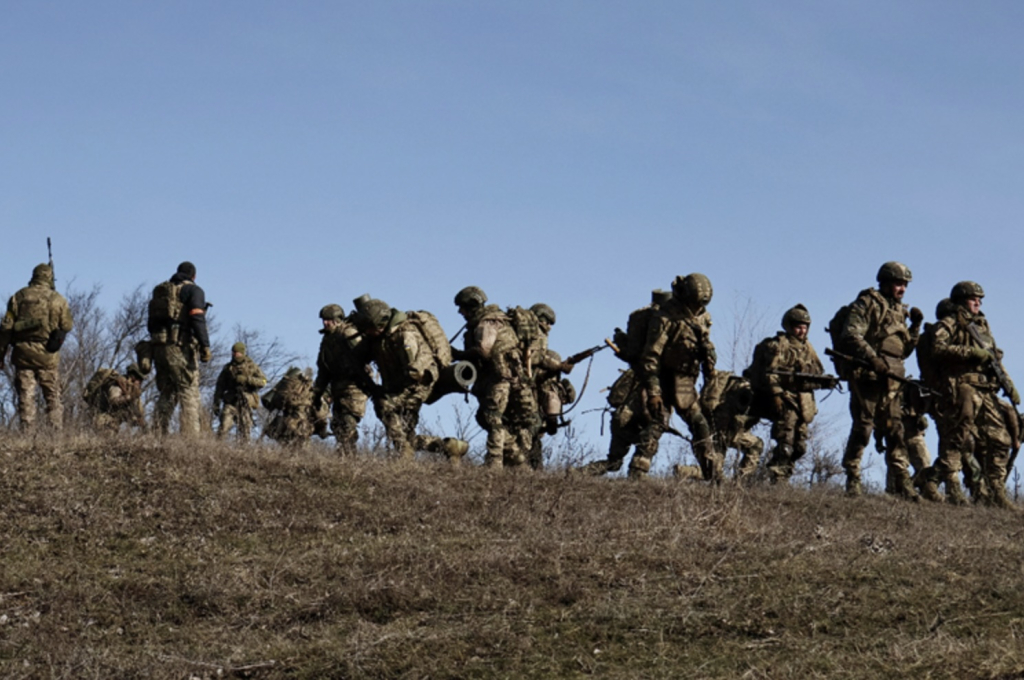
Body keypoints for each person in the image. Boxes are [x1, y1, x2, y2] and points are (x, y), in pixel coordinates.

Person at [838, 261, 922, 499]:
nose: (902, 289)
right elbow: (851, 334)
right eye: (898, 284)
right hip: (868, 375)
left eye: (905, 285)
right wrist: (872, 358)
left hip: (893, 378)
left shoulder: (900, 311)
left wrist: (915, 327)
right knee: (864, 428)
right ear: (885, 282)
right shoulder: (868, 303)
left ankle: (902, 480)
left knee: (895, 429)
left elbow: (903, 351)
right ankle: (853, 477)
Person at [931, 281, 1018, 509]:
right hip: (962, 387)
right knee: (958, 439)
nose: (978, 303)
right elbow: (937, 349)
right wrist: (971, 352)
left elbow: (995, 359)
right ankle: (953, 489)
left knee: (1001, 439)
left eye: (980, 299)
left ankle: (996, 490)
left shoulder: (982, 327)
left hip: (986, 389)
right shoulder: (950, 323)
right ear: (961, 301)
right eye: (973, 299)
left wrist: (1009, 385)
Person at [353, 298, 468, 462]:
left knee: (384, 405)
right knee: (407, 435)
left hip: (418, 385)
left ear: (379, 324)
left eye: (369, 328)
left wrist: (392, 394)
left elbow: (415, 371)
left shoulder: (405, 335)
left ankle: (404, 457)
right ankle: (450, 447)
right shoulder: (380, 337)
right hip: (401, 386)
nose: (367, 332)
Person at [578, 290, 672, 477]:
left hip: (632, 385)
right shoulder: (668, 321)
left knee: (615, 457)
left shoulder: (637, 317)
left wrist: (621, 342)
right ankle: (638, 472)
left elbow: (630, 353)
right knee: (658, 422)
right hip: (656, 384)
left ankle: (582, 472)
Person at [635, 274, 718, 481]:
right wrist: (654, 391)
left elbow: (706, 348)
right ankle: (638, 471)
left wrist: (708, 358)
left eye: (701, 305)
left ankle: (713, 475)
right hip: (663, 377)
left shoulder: (703, 318)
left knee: (699, 424)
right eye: (695, 303)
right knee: (658, 422)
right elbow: (651, 357)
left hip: (685, 380)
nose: (698, 308)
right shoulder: (665, 318)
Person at [746, 304, 831, 483]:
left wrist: (824, 382)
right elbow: (771, 374)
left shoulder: (808, 347)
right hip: (786, 399)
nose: (802, 331)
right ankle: (777, 479)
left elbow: (817, 372)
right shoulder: (778, 345)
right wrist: (776, 395)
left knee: (799, 447)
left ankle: (782, 471)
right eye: (798, 327)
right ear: (789, 326)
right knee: (785, 443)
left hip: (803, 403)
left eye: (805, 327)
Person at [451, 286, 524, 468]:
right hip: (491, 377)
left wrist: (459, 355)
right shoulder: (483, 322)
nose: (461, 312)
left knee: (492, 417)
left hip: (499, 378)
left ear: (472, 306)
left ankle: (494, 464)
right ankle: (516, 456)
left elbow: (483, 351)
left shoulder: (487, 323)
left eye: (463, 308)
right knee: (483, 417)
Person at [0, 264, 74, 430]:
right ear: (50, 278)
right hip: (48, 354)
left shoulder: (18, 297)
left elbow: (6, 328)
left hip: (23, 354)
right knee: (53, 396)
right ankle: (55, 433)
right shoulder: (58, 299)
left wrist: (1, 354)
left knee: (26, 395)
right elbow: (67, 325)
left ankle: (27, 432)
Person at [147, 261, 212, 435]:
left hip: (158, 347)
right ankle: (191, 439)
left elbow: (150, 323)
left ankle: (157, 433)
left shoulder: (161, 291)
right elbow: (197, 318)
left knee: (168, 391)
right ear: (194, 276)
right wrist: (205, 345)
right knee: (188, 390)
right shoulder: (193, 290)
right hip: (179, 346)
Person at [311, 304, 372, 455]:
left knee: (347, 423)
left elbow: (364, 357)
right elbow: (323, 369)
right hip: (337, 389)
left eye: (328, 319)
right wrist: (317, 393)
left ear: (337, 319)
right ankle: (345, 457)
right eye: (324, 320)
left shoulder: (348, 333)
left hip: (354, 387)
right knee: (337, 425)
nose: (325, 323)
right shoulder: (327, 340)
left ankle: (349, 458)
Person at [701, 369, 763, 481]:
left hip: (715, 428)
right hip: (727, 429)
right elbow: (738, 411)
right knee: (756, 445)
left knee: (715, 473)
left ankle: (684, 471)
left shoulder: (733, 382)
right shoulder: (747, 388)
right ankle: (741, 482)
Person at [212, 342, 267, 442]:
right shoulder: (228, 368)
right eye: (233, 352)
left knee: (245, 430)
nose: (234, 354)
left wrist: (247, 379)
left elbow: (263, 381)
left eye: (236, 352)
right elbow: (220, 386)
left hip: (245, 402)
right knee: (223, 427)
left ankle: (243, 449)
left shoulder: (252, 367)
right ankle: (218, 447)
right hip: (230, 401)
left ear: (242, 353)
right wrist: (216, 402)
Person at [262, 367, 329, 445]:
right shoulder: (312, 394)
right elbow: (320, 415)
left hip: (284, 425)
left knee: (285, 449)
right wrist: (323, 427)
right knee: (301, 450)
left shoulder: (289, 389)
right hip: (301, 428)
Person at [84, 364, 146, 433]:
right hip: (102, 419)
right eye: (140, 379)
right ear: (133, 377)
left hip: (111, 422)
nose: (141, 382)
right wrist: (129, 397)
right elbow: (113, 400)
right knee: (108, 435)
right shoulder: (118, 384)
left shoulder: (131, 390)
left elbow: (127, 412)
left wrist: (136, 420)